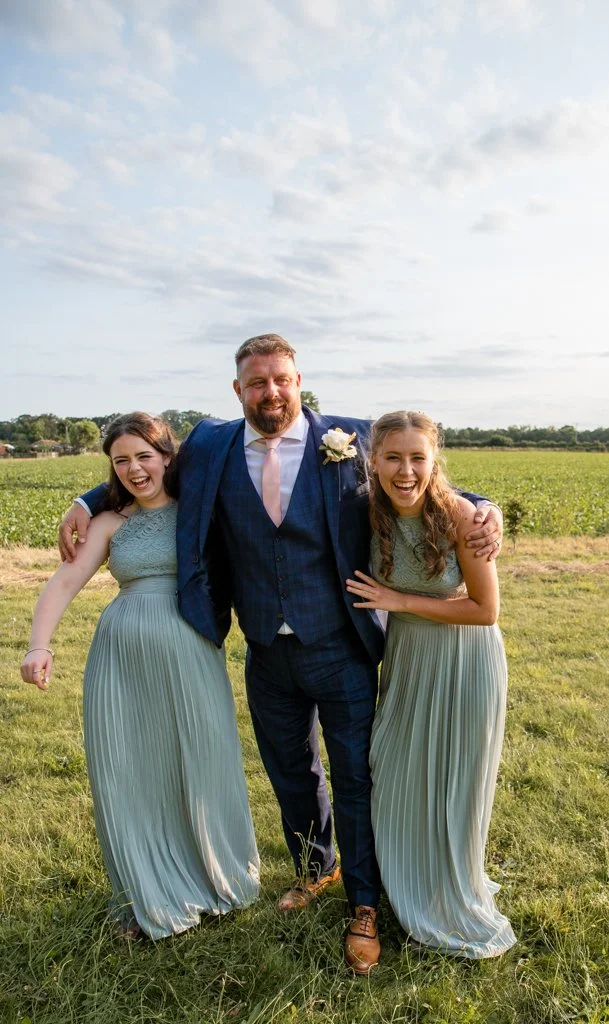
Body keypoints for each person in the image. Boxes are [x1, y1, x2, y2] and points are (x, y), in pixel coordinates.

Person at [58, 336, 503, 972]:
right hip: (263, 646)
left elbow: (421, 474)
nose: (271, 392)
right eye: (257, 382)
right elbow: (143, 471)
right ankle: (314, 867)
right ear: (237, 390)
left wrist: (486, 510)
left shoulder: (350, 439)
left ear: (300, 382)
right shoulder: (210, 445)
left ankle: (364, 904)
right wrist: (86, 500)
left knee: (354, 776)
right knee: (291, 771)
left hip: (341, 644)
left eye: (282, 380)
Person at [22, 412, 259, 940]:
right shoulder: (111, 522)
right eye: (120, 461)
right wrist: (39, 645)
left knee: (204, 755)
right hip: (121, 657)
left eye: (143, 456)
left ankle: (215, 873)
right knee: (132, 768)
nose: (134, 469)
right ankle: (146, 884)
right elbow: (63, 584)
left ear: (168, 457)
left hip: (191, 650)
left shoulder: (199, 511)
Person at [346, 410, 516, 958]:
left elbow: (486, 610)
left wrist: (399, 602)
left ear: (434, 461)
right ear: (372, 460)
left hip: (464, 660)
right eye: (393, 457)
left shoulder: (463, 516)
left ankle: (448, 893)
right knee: (393, 768)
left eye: (418, 457)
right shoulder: (366, 512)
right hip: (407, 661)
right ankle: (405, 884)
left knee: (453, 782)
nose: (405, 470)